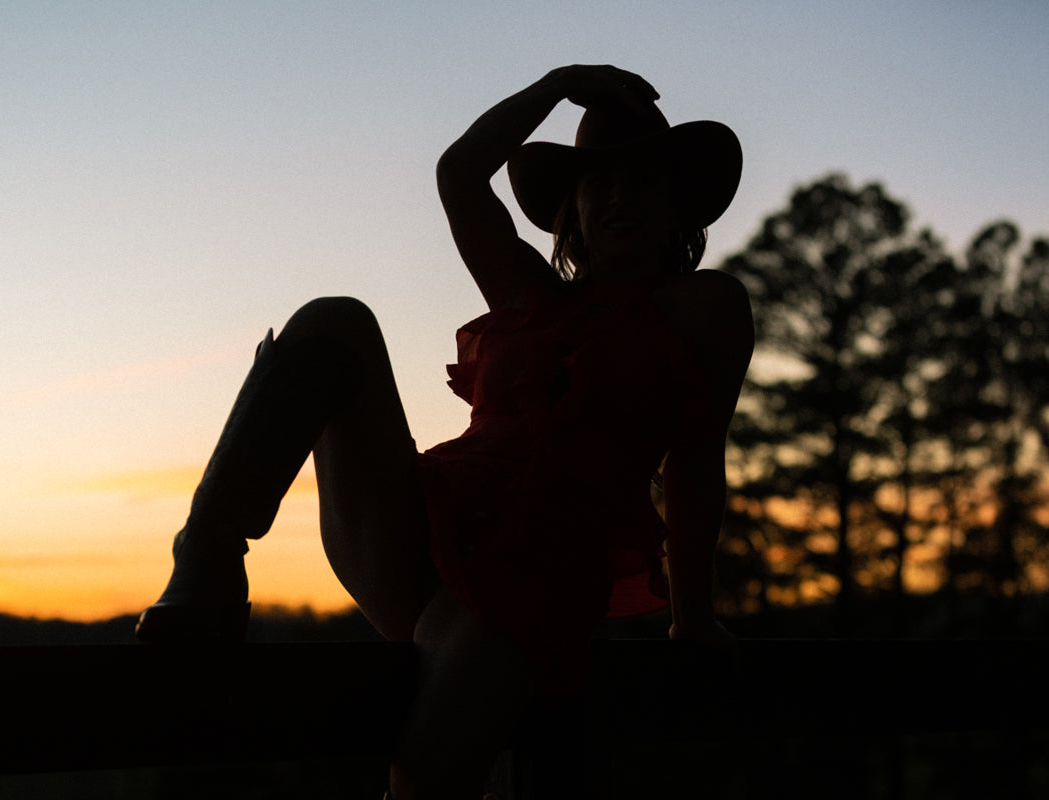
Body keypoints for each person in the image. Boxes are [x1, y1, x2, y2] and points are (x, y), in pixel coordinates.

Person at [136, 64, 753, 800]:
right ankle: (205, 564)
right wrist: (558, 85)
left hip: (536, 570)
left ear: (678, 203)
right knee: (336, 321)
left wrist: (693, 619)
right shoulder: (530, 297)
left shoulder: (704, 307)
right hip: (423, 526)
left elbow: (694, 463)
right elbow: (461, 172)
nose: (619, 195)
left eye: (644, 180)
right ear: (573, 210)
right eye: (597, 182)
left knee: (428, 777)